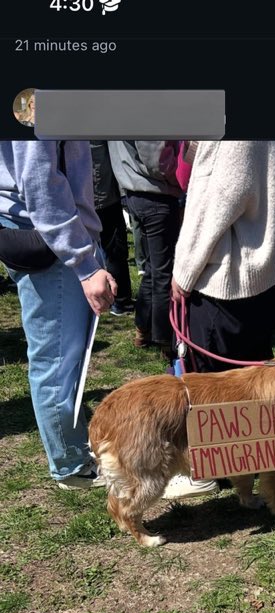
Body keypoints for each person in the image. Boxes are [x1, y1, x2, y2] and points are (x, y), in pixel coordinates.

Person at [166, 140, 275, 499]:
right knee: (251, 376)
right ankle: (248, 465)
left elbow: (220, 195)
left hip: (236, 274)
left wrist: (183, 271)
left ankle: (206, 470)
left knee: (211, 384)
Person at [0, 140, 117, 487]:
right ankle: (70, 463)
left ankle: (71, 455)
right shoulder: (37, 97)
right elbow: (39, 181)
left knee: (60, 355)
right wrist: (83, 262)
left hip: (49, 233)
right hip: (49, 238)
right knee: (55, 358)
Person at [108, 141, 183, 355]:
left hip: (135, 191)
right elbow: (158, 160)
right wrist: (181, 177)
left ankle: (143, 330)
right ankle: (165, 339)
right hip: (156, 194)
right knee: (163, 272)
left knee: (153, 269)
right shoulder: (145, 109)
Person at [91, 141, 134, 316]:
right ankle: (120, 301)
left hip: (95, 195)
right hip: (104, 196)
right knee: (115, 249)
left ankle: (115, 299)